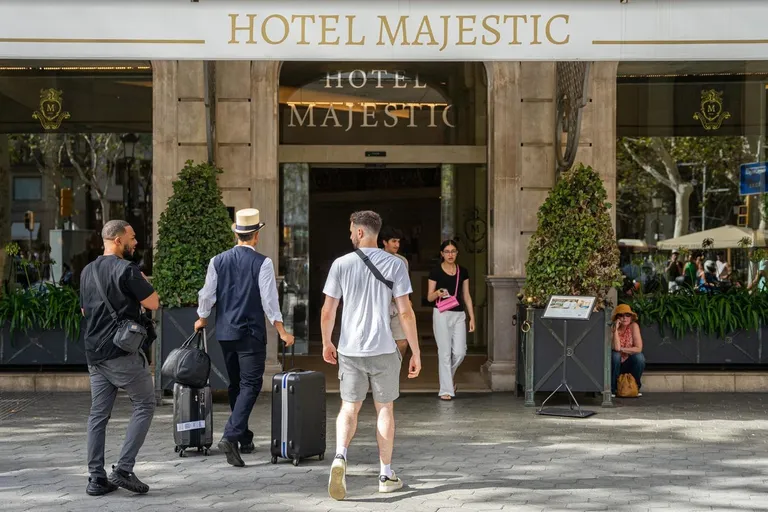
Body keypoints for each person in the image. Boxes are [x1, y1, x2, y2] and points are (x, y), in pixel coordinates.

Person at [321, 210, 421, 500]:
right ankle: (385, 474)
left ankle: (340, 456)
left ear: (362, 232)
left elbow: (329, 310)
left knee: (349, 408)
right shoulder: (396, 264)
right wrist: (415, 350)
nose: (350, 235)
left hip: (350, 349)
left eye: (352, 230)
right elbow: (405, 311)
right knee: (385, 409)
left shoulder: (341, 264)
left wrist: (328, 341)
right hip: (384, 349)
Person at [194, 208, 295, 468]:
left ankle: (244, 437)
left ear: (237, 233)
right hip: (250, 333)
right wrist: (282, 331)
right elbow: (269, 301)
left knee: (236, 385)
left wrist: (203, 318)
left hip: (225, 333)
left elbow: (207, 294)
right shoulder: (263, 262)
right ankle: (230, 436)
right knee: (250, 385)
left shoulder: (217, 260)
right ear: (256, 236)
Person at [80, 220, 159, 496]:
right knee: (146, 403)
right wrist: (144, 283)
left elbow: (83, 311)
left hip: (95, 354)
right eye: (132, 237)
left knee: (98, 415)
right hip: (121, 353)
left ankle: (96, 479)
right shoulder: (128, 270)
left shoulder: (87, 271)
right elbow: (153, 303)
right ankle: (124, 469)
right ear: (116, 240)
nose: (135, 242)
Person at [427, 240, 476, 401]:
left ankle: (448, 379)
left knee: (460, 352)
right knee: (445, 353)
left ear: (457, 253)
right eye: (447, 251)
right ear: (442, 254)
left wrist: (472, 317)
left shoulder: (463, 271)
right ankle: (446, 390)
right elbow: (429, 297)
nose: (450, 254)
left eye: (453, 251)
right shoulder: (435, 272)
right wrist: (438, 293)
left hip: (459, 313)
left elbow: (466, 295)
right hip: (441, 314)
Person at [380, 226, 410, 358]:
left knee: (402, 342)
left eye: (398, 242)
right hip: (379, 308)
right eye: (393, 241)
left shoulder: (402, 261)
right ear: (384, 242)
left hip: (398, 307)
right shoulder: (375, 259)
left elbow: (405, 285)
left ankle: (394, 371)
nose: (397, 245)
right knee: (380, 344)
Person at [611, 304, 645, 397]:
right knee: (616, 355)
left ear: (631, 317)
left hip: (627, 363)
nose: (624, 318)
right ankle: (612, 389)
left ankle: (634, 387)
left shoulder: (634, 326)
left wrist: (623, 349)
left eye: (627, 315)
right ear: (617, 318)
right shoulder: (612, 328)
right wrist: (615, 331)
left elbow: (638, 348)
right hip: (614, 365)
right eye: (621, 315)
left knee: (639, 357)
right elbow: (616, 348)